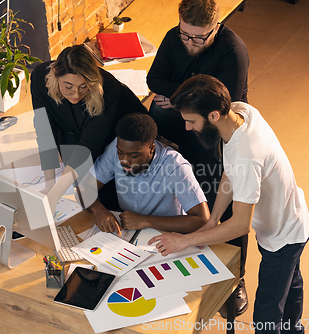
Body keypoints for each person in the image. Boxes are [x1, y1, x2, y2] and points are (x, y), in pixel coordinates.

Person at [150, 75, 309, 333]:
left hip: (282, 237)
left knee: (266, 316)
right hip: (289, 217)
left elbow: (240, 226)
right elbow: (230, 171)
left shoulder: (247, 157)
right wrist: (212, 220)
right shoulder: (240, 112)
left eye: (191, 121)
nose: (187, 128)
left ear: (213, 115)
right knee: (291, 283)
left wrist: (183, 241)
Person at [146, 0, 250, 315]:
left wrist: (175, 98)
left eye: (199, 38)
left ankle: (236, 279)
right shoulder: (172, 37)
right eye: (185, 35)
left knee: (224, 202)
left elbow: (220, 106)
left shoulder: (233, 51)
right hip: (174, 134)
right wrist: (186, 102)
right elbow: (153, 80)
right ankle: (187, 259)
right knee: (183, 199)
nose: (190, 43)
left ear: (215, 28)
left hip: (211, 139)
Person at [31, 45, 147, 209]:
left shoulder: (109, 90)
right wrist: (50, 184)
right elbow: (44, 131)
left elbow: (88, 147)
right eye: (68, 86)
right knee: (72, 182)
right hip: (76, 129)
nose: (76, 94)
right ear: (55, 73)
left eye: (83, 86)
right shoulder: (39, 77)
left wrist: (55, 194)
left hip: (118, 135)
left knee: (104, 196)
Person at [81, 113, 209, 236]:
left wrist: (145, 221)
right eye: (120, 153)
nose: (124, 160)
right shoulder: (117, 147)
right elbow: (84, 188)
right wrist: (97, 209)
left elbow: (202, 220)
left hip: (167, 234)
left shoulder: (174, 166)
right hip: (128, 231)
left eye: (134, 156)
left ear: (151, 149)